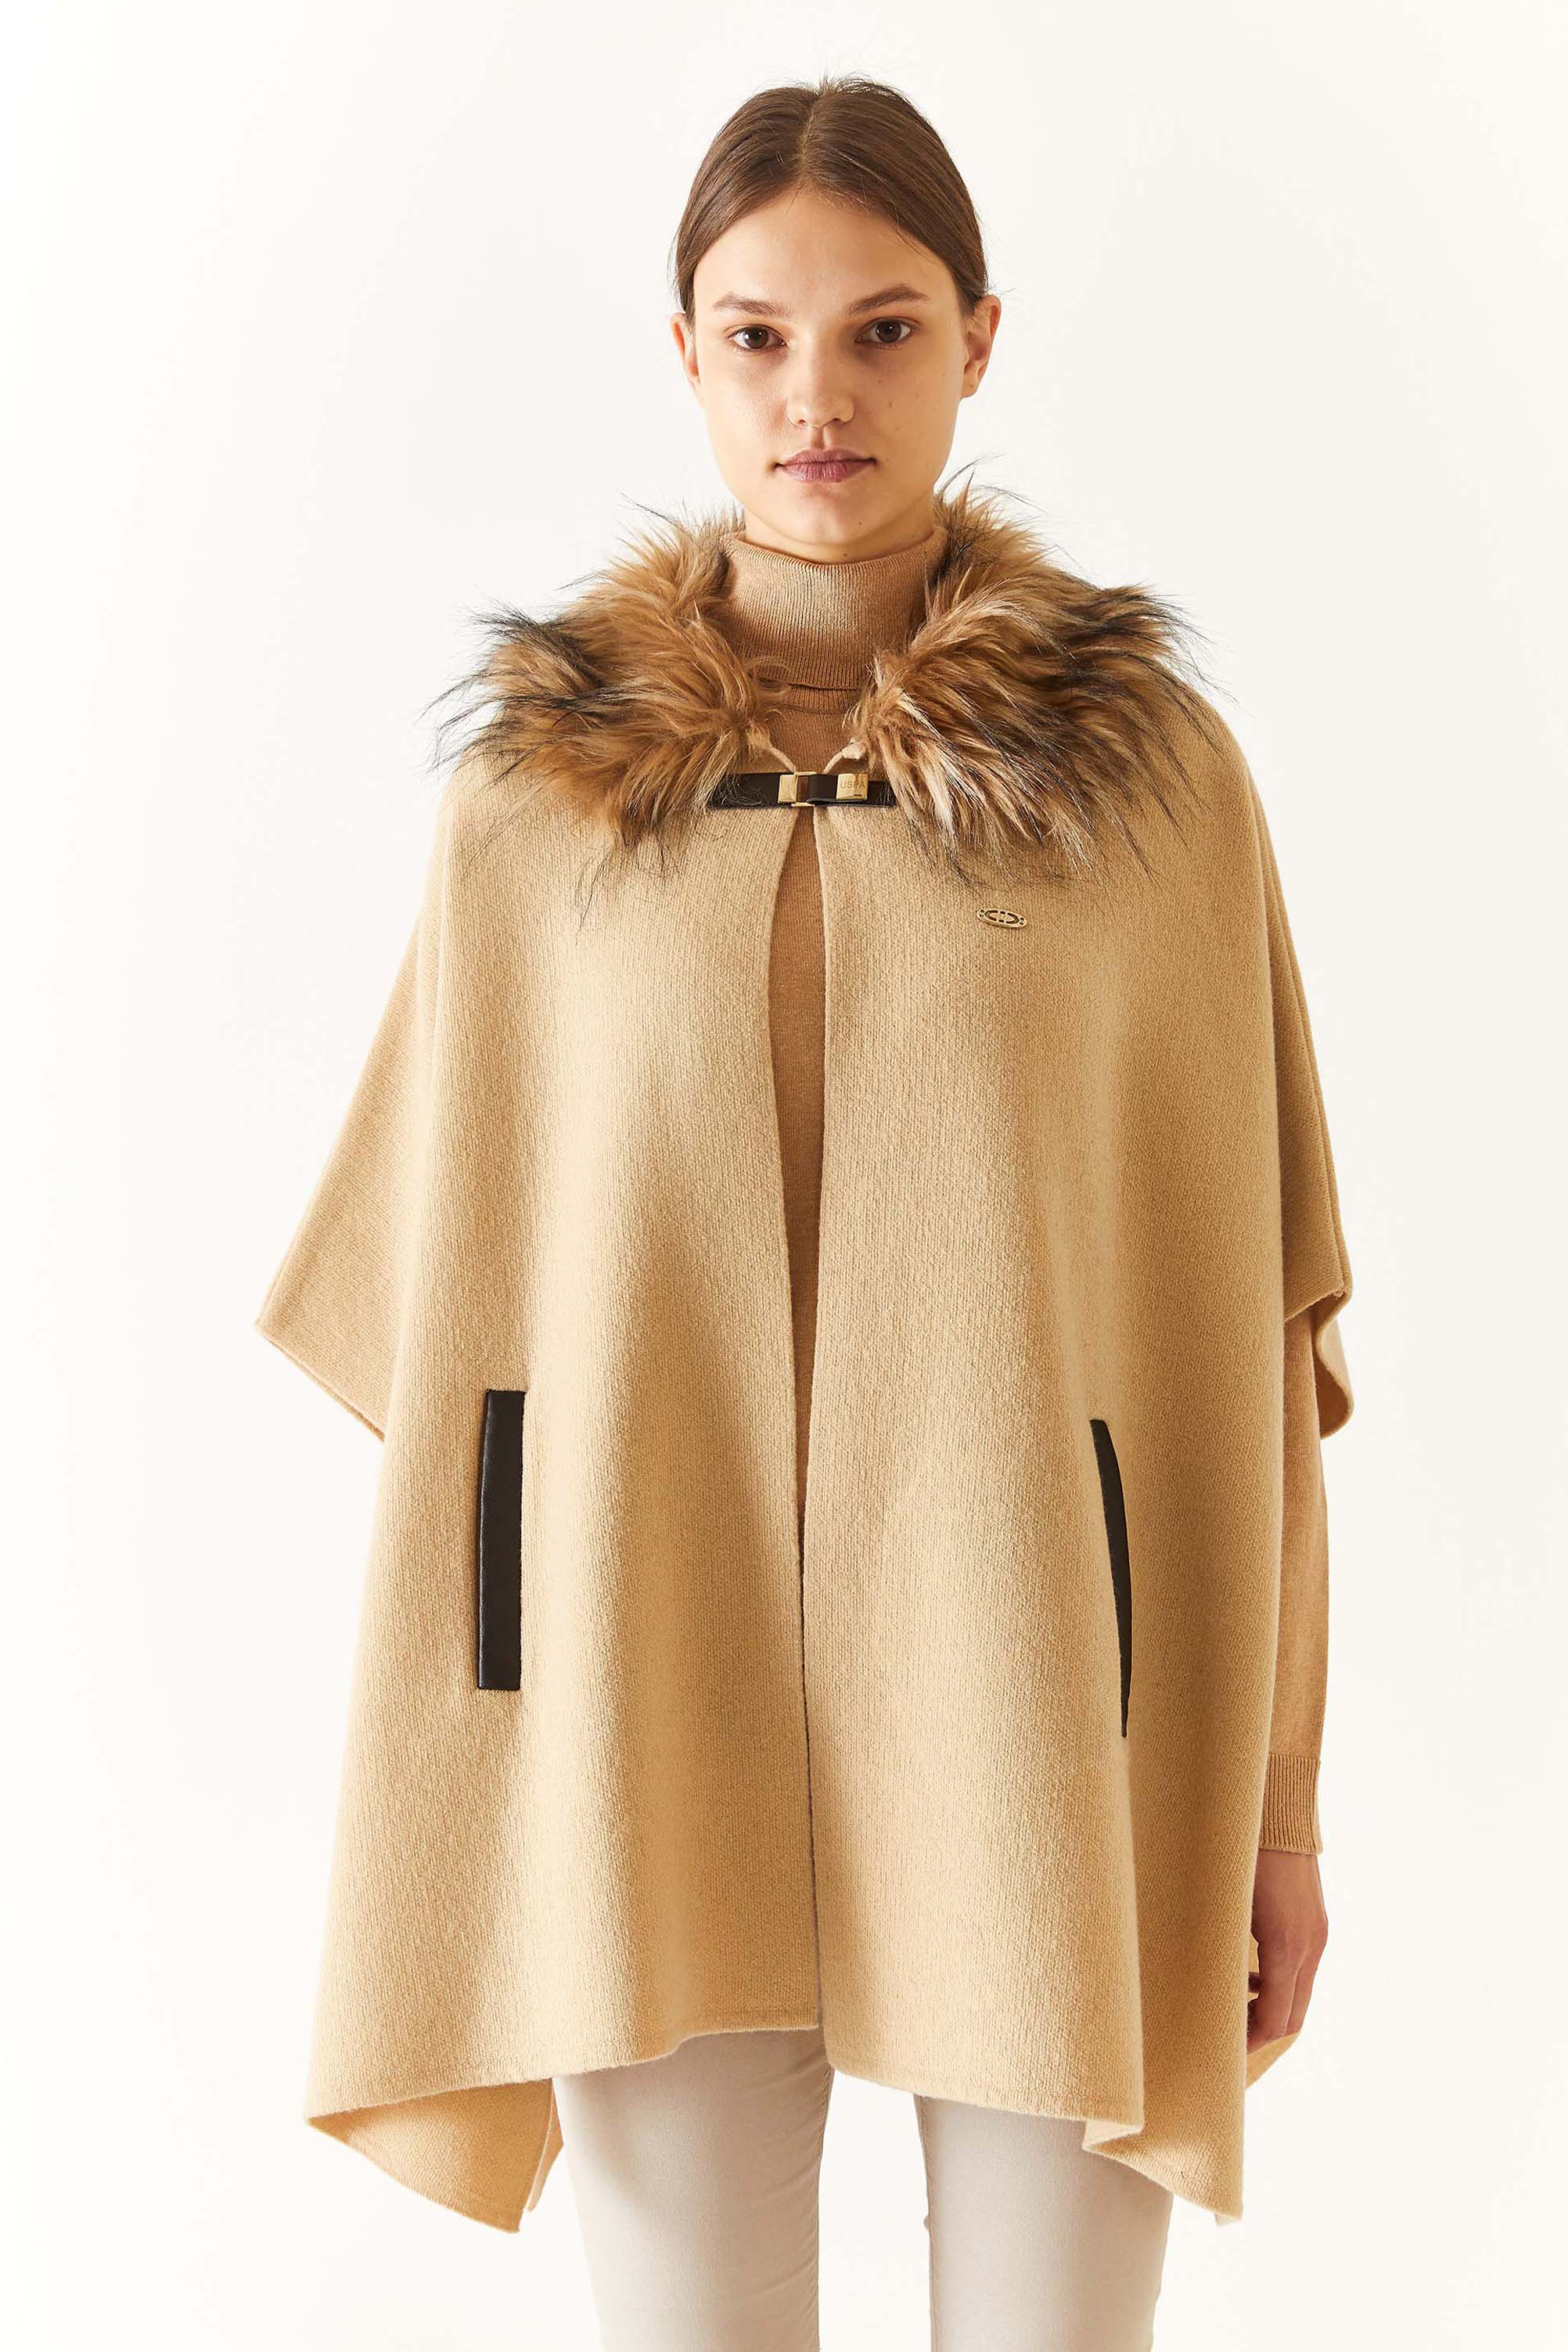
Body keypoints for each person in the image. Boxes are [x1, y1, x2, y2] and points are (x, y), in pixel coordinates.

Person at [255, 74, 1353, 2352]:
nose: (815, 395)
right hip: (640, 1701)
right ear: (685, 352)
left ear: (976, 339)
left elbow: (1241, 1332)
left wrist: (1275, 1810)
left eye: (879, 331)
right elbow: (447, 1326)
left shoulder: (1145, 784)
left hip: (1040, 1706)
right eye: (757, 335)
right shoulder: (542, 798)